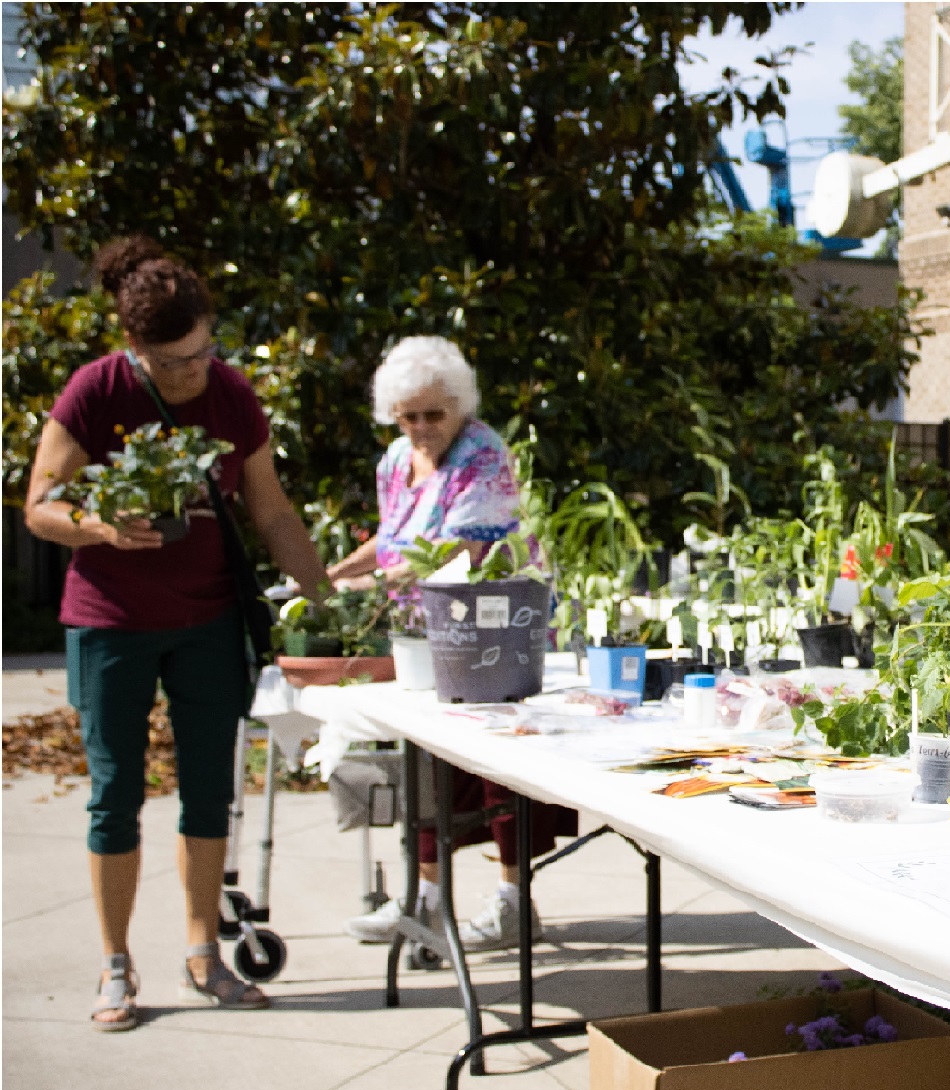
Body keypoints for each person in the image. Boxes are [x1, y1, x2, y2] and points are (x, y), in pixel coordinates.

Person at [25, 237, 332, 1031]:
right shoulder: (93, 391)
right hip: (112, 625)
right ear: (135, 350)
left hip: (207, 622)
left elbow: (270, 510)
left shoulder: (231, 394)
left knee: (210, 792)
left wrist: (324, 597)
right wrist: (97, 524)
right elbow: (38, 506)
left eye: (202, 353)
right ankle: (115, 965)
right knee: (114, 795)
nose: (192, 373)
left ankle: (205, 952)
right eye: (172, 364)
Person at [327, 336, 568, 952]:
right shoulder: (393, 462)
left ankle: (515, 902)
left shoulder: (484, 454)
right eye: (409, 416)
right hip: (427, 632)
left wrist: (371, 582)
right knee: (428, 764)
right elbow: (389, 539)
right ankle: (427, 900)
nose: (422, 427)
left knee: (497, 770)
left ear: (459, 406)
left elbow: (463, 549)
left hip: (492, 625)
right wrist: (327, 578)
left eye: (434, 414)